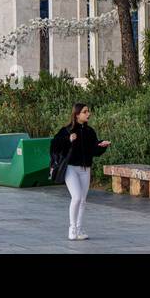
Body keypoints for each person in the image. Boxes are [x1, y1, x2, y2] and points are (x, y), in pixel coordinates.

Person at [50, 103, 111, 240]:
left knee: (83, 200)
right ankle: (72, 229)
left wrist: (101, 145)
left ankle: (79, 229)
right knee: (76, 197)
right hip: (71, 169)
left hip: (85, 169)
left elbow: (94, 150)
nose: (88, 114)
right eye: (85, 112)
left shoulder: (90, 131)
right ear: (77, 114)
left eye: (88, 111)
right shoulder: (67, 130)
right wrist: (68, 139)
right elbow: (54, 145)